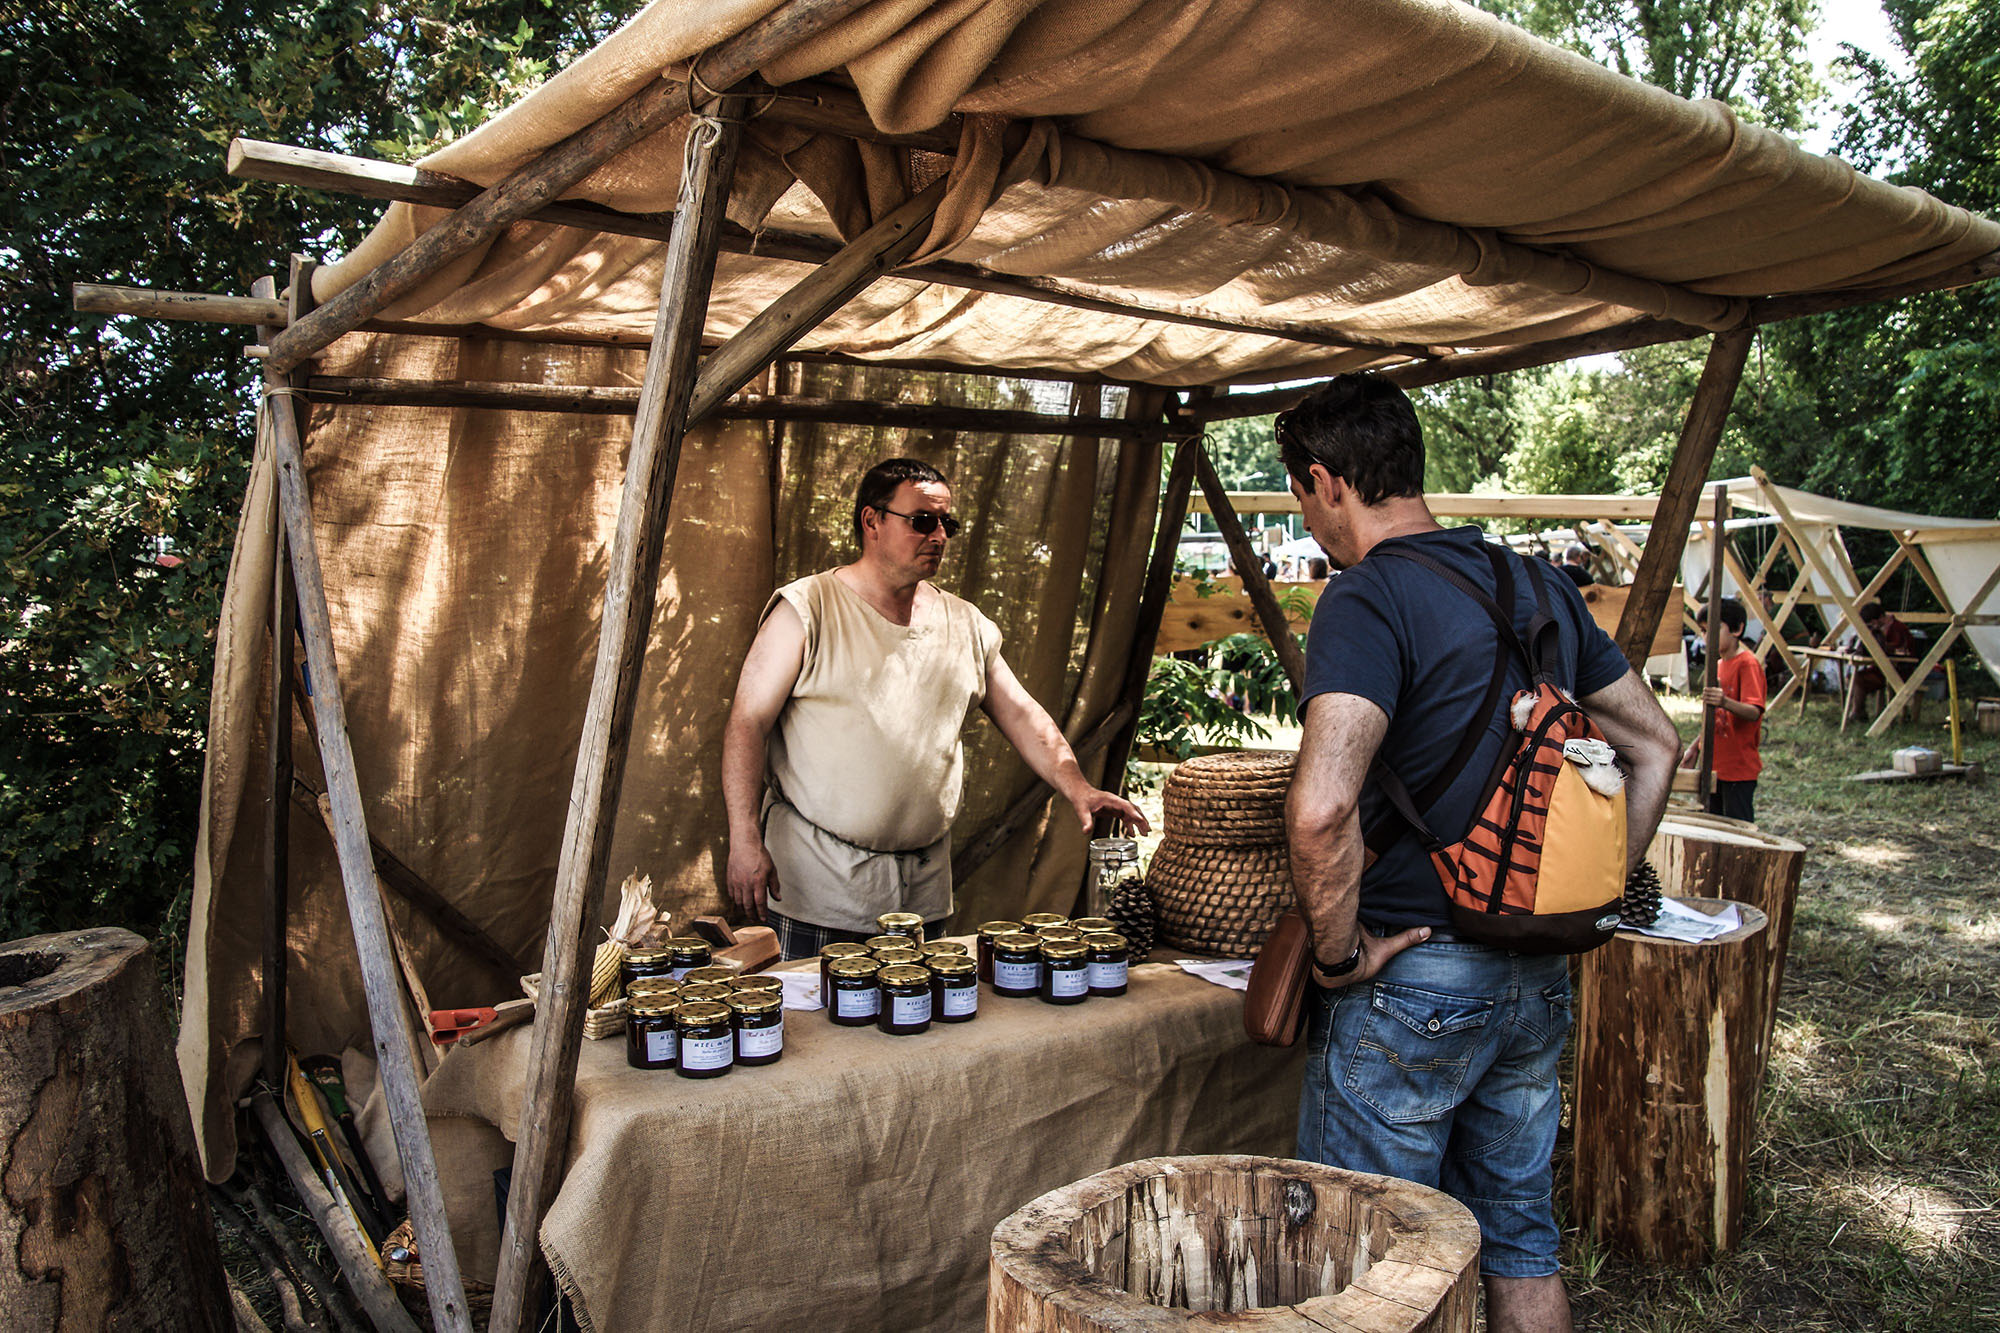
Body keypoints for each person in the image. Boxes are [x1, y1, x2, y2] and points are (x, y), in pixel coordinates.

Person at [1276, 376, 1680, 1333]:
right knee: (1519, 1238)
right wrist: (1588, 891)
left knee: (1370, 1260)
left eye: (1300, 493)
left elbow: (1323, 807)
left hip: (1412, 977)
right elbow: (1659, 745)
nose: (1310, 514)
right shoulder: (1537, 583)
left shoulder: (1365, 597)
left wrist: (1337, 958)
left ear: (1327, 481)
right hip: (1537, 977)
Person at [722, 458, 1148, 959]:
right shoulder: (807, 609)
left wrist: (1077, 786)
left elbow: (1023, 715)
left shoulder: (963, 623)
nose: (939, 534)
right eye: (923, 520)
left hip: (920, 897)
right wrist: (745, 836)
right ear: (872, 521)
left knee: (920, 1033)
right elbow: (747, 723)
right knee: (822, 1035)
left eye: (948, 523)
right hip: (819, 890)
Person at [1696, 598, 1767, 822]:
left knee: (1738, 827)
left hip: (1738, 769)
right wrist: (1695, 748)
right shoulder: (1717, 665)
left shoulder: (1747, 664)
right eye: (1703, 631)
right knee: (1713, 824)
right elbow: (1715, 718)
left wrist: (1724, 701)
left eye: (1713, 630)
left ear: (1737, 629)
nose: (1707, 637)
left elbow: (1754, 711)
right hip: (1715, 766)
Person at [1846, 600, 1919, 720]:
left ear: (1879, 618)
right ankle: (1859, 711)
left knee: (1858, 678)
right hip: (1883, 668)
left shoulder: (1897, 628)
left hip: (1898, 670)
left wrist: (1880, 643)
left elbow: (1899, 650)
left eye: (1872, 623)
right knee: (1852, 676)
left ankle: (1857, 713)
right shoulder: (1884, 627)